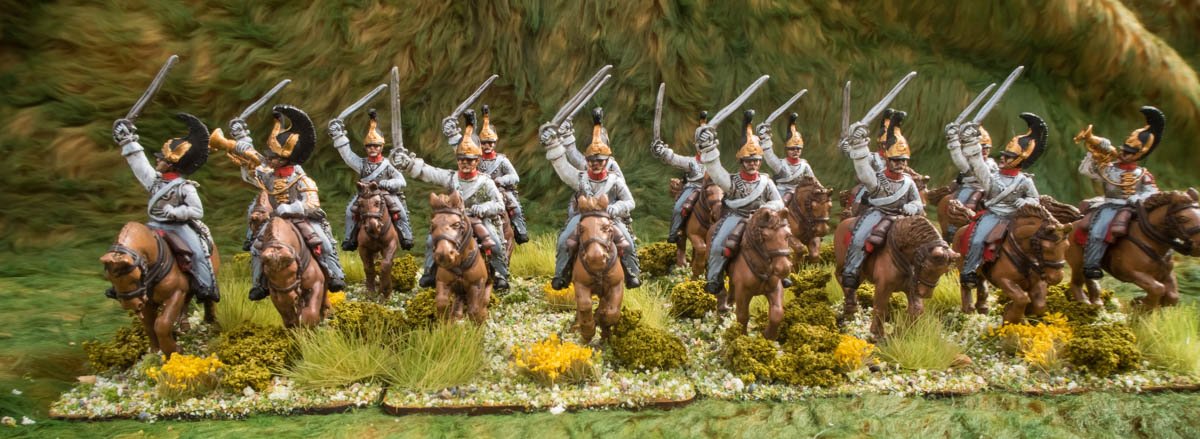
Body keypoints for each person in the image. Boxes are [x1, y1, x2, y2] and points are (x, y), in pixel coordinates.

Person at [394, 110, 511, 291]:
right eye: (462, 160)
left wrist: (483, 208)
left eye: (469, 160)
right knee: (431, 241)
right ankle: (430, 272)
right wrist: (409, 164)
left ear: (477, 161)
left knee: (493, 241)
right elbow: (430, 172)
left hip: (479, 219)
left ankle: (501, 275)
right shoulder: (451, 177)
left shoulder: (486, 182)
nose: (465, 163)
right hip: (454, 221)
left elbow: (499, 205)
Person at [239, 106, 346, 301]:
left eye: (273, 157)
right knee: (256, 247)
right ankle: (259, 284)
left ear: (285, 159)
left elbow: (312, 205)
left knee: (324, 242)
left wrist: (290, 208)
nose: (269, 160)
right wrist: (242, 149)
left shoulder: (303, 180)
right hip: (275, 221)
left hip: (302, 219)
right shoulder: (269, 177)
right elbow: (251, 174)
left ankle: (334, 274)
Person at [112, 113, 219, 302]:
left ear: (170, 164)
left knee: (198, 252)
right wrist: (127, 140)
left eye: (161, 159)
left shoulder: (185, 187)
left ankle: (206, 287)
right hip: (154, 225)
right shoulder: (154, 181)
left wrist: (176, 212)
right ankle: (122, 283)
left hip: (179, 227)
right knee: (130, 246)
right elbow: (139, 164)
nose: (157, 161)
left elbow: (197, 211)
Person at [539, 108, 641, 289]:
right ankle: (561, 274)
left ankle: (632, 274)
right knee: (565, 241)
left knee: (627, 244)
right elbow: (563, 167)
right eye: (592, 161)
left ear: (606, 161)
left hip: (609, 217)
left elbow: (629, 202)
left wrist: (615, 208)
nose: (595, 164)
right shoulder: (580, 178)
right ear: (586, 161)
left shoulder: (615, 180)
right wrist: (553, 145)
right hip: (583, 216)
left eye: (599, 161)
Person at [838, 110, 924, 314]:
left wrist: (912, 207)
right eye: (896, 160)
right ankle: (851, 271)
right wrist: (859, 145)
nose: (901, 164)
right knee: (859, 238)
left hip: (903, 218)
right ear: (888, 159)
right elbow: (863, 171)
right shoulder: (877, 180)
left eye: (903, 160)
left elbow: (918, 203)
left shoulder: (909, 182)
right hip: (878, 213)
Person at [949, 113, 1047, 287]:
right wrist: (971, 143)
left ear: (1018, 159)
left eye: (1008, 156)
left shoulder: (1025, 181)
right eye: (1003, 155)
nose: (1002, 158)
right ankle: (969, 271)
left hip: (1015, 217)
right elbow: (977, 164)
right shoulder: (991, 177)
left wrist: (1025, 202)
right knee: (977, 240)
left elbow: (1034, 198)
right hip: (993, 215)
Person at [696, 110, 785, 295]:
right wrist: (708, 149)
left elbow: (779, 202)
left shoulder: (766, 181)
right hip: (737, 217)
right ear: (742, 161)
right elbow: (716, 172)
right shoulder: (732, 181)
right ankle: (714, 278)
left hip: (762, 220)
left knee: (782, 239)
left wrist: (766, 209)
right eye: (749, 161)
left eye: (756, 161)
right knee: (718, 246)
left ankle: (783, 272)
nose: (753, 164)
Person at [1075, 106, 1164, 279]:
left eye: (1129, 153)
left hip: (1136, 207)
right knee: (1098, 232)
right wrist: (1094, 154)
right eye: (1123, 150)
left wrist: (1138, 198)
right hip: (1111, 206)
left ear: (1139, 155)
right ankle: (1091, 264)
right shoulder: (1109, 169)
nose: (1123, 154)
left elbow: (1152, 192)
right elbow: (1085, 171)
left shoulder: (1142, 174)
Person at [330, 109, 414, 251]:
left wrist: (389, 183)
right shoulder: (361, 164)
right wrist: (338, 136)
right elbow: (347, 155)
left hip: (386, 193)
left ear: (381, 147)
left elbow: (401, 181)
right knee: (350, 211)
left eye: (376, 146)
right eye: (369, 146)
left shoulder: (388, 164)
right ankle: (350, 238)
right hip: (366, 194)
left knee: (400, 211)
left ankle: (406, 236)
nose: (372, 149)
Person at [651, 111, 707, 244]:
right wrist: (663, 152)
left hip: (711, 189)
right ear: (697, 145)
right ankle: (674, 233)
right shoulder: (691, 162)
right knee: (678, 208)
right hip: (693, 188)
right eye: (701, 144)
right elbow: (675, 159)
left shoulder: (716, 163)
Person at [759, 112, 816, 200]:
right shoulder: (780, 165)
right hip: (781, 193)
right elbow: (769, 155)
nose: (795, 151)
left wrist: (822, 189)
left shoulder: (804, 166)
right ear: (787, 149)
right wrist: (765, 138)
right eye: (792, 149)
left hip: (799, 193)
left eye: (798, 149)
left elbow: (813, 180)